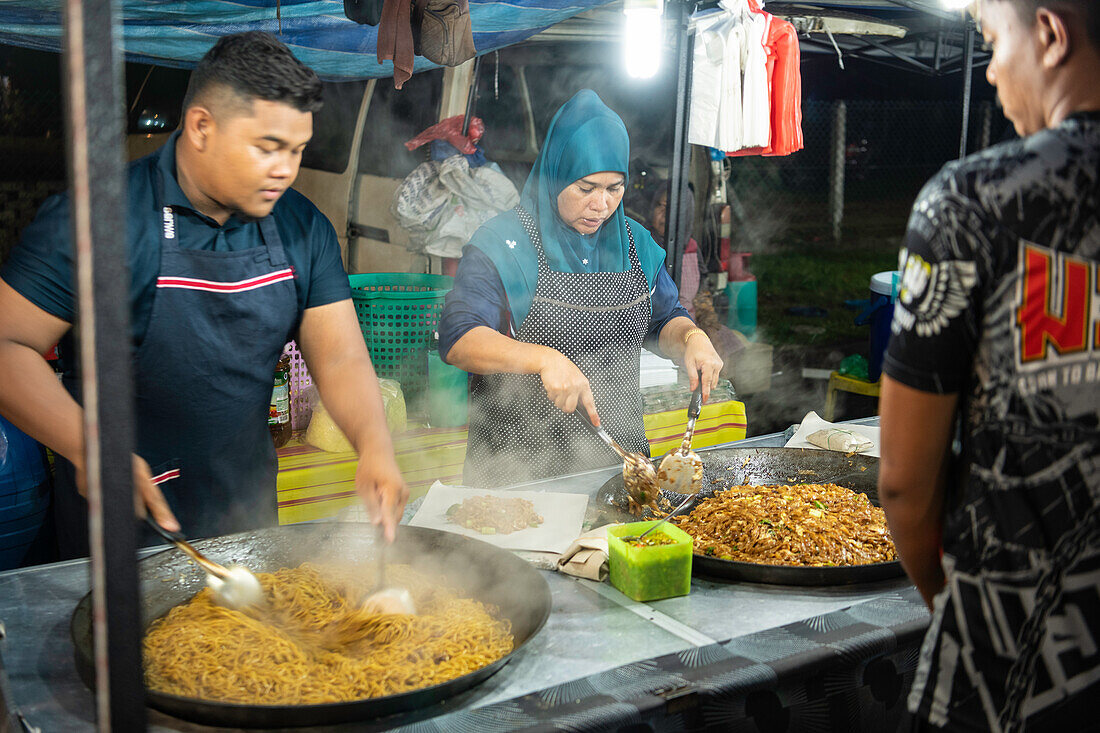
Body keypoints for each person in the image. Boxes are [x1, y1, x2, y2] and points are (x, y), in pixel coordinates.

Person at [0, 32, 407, 558]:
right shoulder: (98, 218)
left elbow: (340, 353)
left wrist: (374, 445)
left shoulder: (303, 228)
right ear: (201, 127)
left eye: (297, 150)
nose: (286, 169)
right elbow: (8, 346)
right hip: (118, 531)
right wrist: (91, 449)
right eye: (268, 147)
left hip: (247, 521)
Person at [877, 2, 1100, 730]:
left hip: (1009, 677)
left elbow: (906, 486)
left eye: (992, 42)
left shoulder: (971, 203)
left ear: (1050, 33)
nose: (993, 74)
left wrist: (955, 606)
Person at [439, 90, 724, 487]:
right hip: (517, 465)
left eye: (614, 188)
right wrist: (544, 360)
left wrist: (691, 337)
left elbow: (665, 320)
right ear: (555, 174)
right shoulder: (503, 243)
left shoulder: (635, 243)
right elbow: (459, 338)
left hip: (620, 460)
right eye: (586, 188)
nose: (601, 205)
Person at [647, 181, 705, 318]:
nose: (664, 214)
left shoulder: (691, 247)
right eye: (660, 206)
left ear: (686, 214)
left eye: (672, 209)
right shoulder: (642, 243)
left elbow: (704, 292)